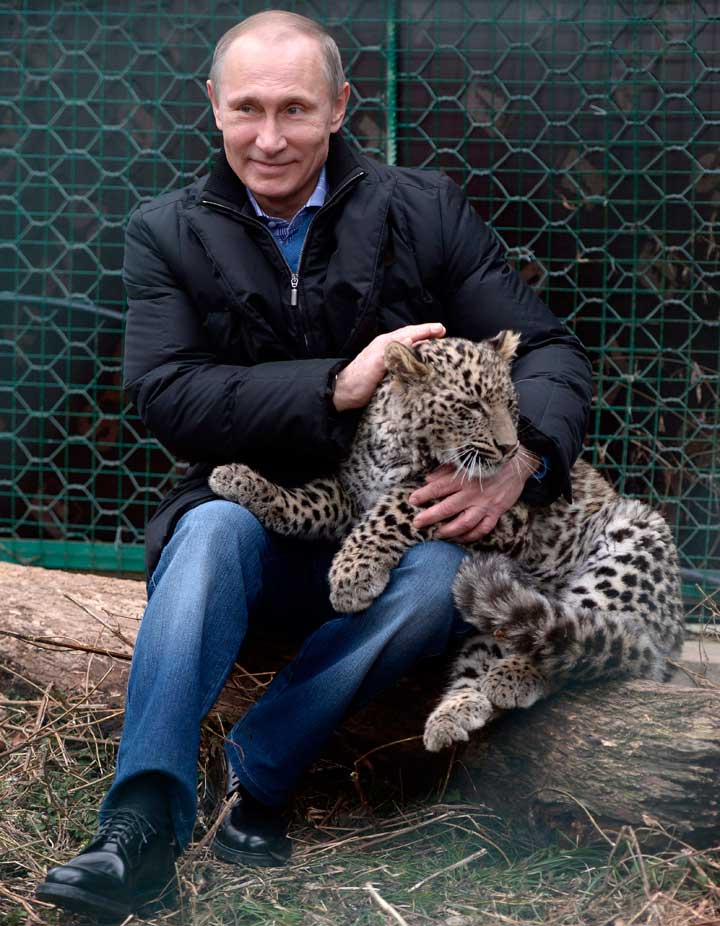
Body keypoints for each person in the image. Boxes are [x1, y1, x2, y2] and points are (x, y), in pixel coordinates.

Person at [37, 9, 592, 919]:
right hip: (253, 518)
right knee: (209, 530)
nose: (268, 137)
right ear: (212, 106)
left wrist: (523, 459)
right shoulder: (166, 231)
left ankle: (261, 775)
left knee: (439, 576)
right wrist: (339, 382)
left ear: (339, 107)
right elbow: (167, 396)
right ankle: (136, 828)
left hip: (396, 537)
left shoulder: (425, 207)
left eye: (294, 109)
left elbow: (552, 352)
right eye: (246, 108)